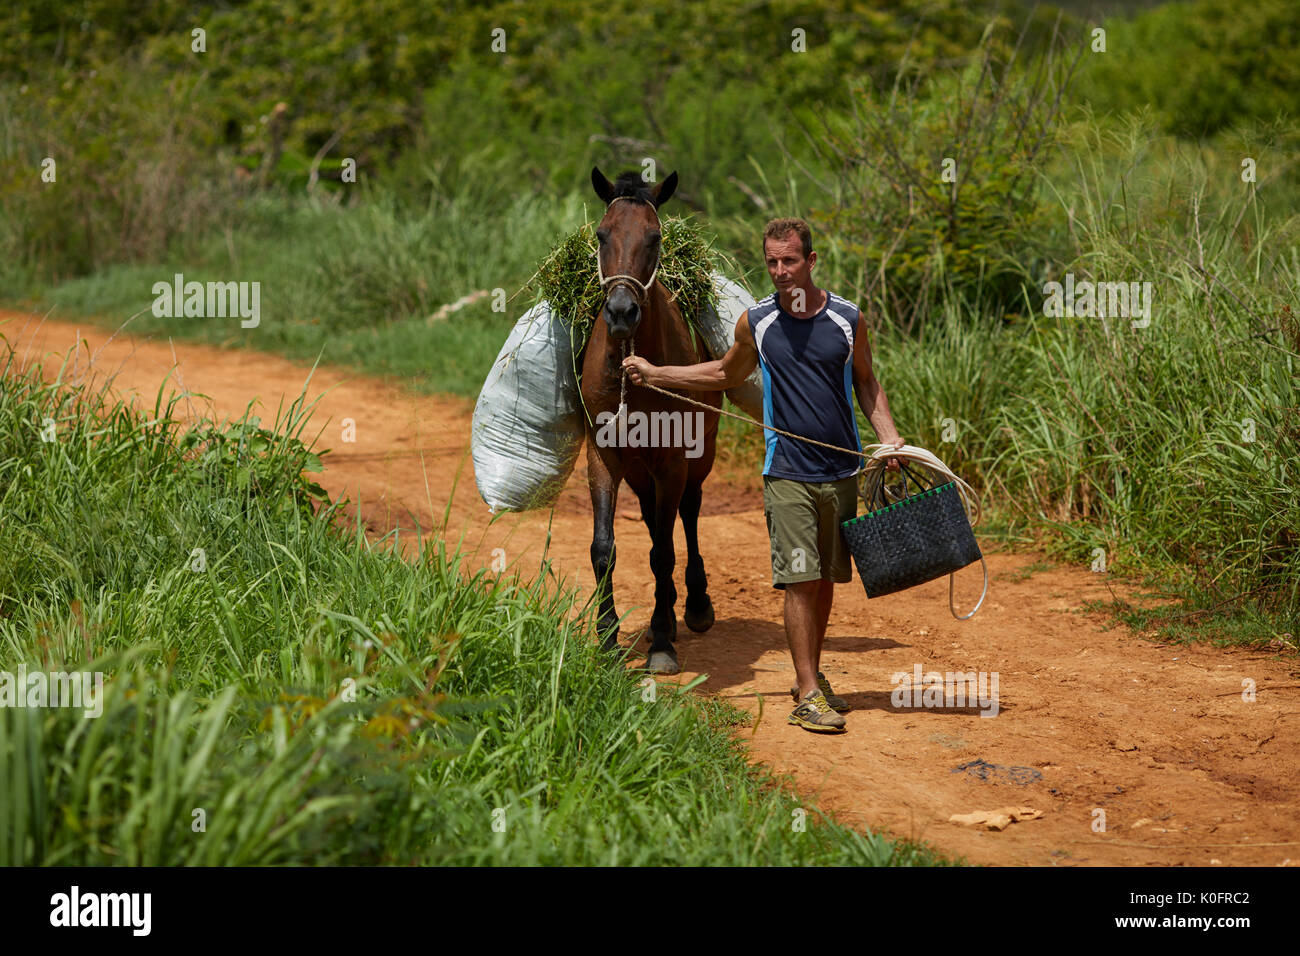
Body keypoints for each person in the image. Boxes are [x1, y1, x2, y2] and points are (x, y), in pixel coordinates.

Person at [621, 217, 904, 733]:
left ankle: (808, 676)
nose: (779, 271)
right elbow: (725, 374)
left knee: (824, 581)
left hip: (841, 470)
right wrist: (658, 373)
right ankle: (810, 692)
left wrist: (889, 437)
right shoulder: (757, 322)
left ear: (811, 261)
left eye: (789, 260)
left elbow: (867, 382)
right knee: (798, 580)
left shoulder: (847, 319)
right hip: (788, 472)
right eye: (772, 261)